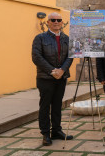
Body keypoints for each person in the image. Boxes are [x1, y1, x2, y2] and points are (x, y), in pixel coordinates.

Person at [32, 12, 74, 146]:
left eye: (59, 20)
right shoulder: (40, 38)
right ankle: (45, 133)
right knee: (45, 106)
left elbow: (70, 56)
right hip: (45, 78)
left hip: (61, 78)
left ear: (62, 22)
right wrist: (52, 71)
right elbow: (37, 57)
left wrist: (62, 70)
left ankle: (56, 130)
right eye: (53, 20)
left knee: (57, 105)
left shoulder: (67, 38)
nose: (56, 22)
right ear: (48, 22)